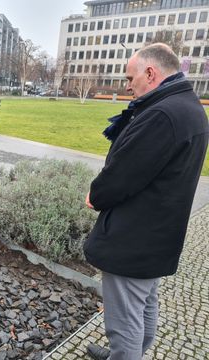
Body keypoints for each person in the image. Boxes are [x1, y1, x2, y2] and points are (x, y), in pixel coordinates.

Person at [84, 43, 209, 360]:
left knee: (124, 325)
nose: (127, 85)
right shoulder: (188, 106)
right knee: (144, 307)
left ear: (150, 73)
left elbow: (122, 175)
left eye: (130, 77)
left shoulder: (162, 115)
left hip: (134, 239)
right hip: (156, 235)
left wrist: (94, 195)